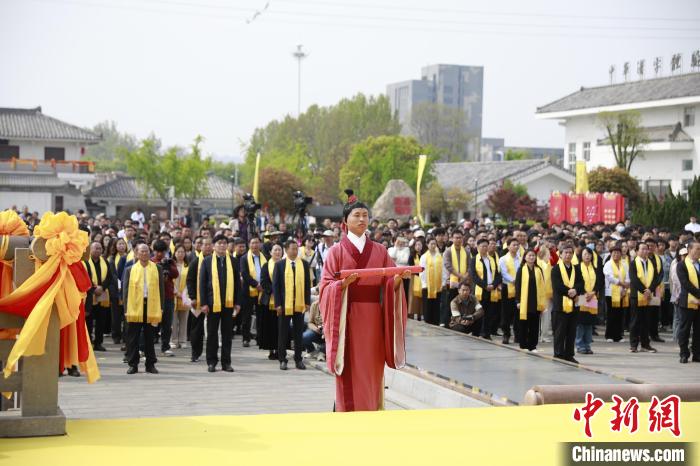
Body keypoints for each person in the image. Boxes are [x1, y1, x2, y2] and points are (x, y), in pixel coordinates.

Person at [319, 189, 409, 412]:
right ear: (345, 221)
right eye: (356, 215)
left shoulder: (380, 250)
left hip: (374, 320)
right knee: (349, 368)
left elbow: (388, 282)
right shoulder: (336, 252)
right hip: (347, 320)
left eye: (364, 215)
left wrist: (397, 281)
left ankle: (371, 408)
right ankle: (346, 410)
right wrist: (341, 286)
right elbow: (325, 286)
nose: (361, 219)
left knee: (372, 367)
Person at [199, 234, 241, 372]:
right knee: (212, 334)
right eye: (219, 243)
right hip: (212, 304)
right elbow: (203, 284)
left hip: (228, 303)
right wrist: (204, 303)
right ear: (214, 246)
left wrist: (237, 302)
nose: (222, 245)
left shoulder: (234, 261)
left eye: (224, 243)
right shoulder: (207, 261)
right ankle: (211, 362)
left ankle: (226, 362)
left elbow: (237, 284)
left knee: (227, 334)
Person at [123, 244, 164, 374]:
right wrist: (126, 308)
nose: (144, 253)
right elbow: (125, 291)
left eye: (146, 251)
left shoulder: (157, 268)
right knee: (133, 337)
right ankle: (133, 364)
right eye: (142, 251)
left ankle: (150, 364)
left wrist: (161, 307)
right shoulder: (130, 269)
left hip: (151, 305)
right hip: (134, 306)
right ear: (136, 253)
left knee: (149, 336)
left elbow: (161, 289)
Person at [273, 240, 312, 370]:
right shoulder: (279, 265)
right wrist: (278, 304)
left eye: (296, 249)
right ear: (286, 250)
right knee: (283, 333)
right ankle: (282, 359)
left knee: (298, 333)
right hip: (284, 305)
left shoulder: (304, 265)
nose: (295, 251)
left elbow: (307, 285)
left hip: (299, 304)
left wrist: (307, 302)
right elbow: (276, 286)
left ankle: (298, 359)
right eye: (292, 249)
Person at [551, 244, 584, 363]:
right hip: (560, 304)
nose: (568, 255)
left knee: (571, 331)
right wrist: (571, 292)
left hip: (574, 304)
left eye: (570, 252)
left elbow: (581, 283)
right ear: (560, 254)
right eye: (565, 252)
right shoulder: (556, 268)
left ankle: (569, 354)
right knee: (560, 331)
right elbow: (557, 286)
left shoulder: (576, 268)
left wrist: (576, 290)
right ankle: (559, 354)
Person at [629, 242, 661, 353]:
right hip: (636, 296)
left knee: (646, 321)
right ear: (637, 251)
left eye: (646, 249)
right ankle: (633, 345)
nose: (644, 251)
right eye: (642, 249)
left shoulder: (651, 262)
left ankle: (645, 345)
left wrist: (650, 290)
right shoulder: (633, 263)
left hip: (649, 296)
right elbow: (634, 279)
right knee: (635, 321)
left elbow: (656, 279)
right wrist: (644, 290)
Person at [84, 241, 116, 352]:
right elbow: (85, 277)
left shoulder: (105, 262)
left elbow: (109, 277)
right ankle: (89, 343)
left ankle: (99, 342)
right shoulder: (86, 262)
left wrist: (102, 287)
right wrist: (94, 288)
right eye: (96, 248)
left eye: (100, 248)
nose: (98, 250)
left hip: (102, 294)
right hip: (89, 295)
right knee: (88, 321)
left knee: (101, 321)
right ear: (90, 249)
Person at [186, 237, 213, 363]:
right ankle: (195, 352)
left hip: (213, 299)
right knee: (196, 328)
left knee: (212, 327)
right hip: (198, 300)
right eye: (205, 245)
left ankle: (210, 353)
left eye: (209, 244)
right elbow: (190, 281)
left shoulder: (216, 261)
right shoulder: (196, 262)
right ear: (200, 247)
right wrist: (193, 297)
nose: (207, 247)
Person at [515, 250, 547, 351]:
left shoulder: (539, 269)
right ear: (525, 257)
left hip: (536, 300)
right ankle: (523, 345)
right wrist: (518, 301)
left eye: (533, 255)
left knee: (534, 324)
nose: (532, 257)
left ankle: (532, 345)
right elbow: (518, 286)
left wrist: (543, 302)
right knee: (524, 324)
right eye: (529, 255)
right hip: (525, 301)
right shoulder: (521, 269)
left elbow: (542, 286)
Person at [470, 238, 502, 340]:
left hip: (492, 288)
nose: (484, 248)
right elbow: (474, 276)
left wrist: (494, 285)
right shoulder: (474, 259)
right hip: (481, 289)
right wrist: (485, 285)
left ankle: (486, 333)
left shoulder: (491, 259)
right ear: (478, 247)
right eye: (482, 246)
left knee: (489, 312)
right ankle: (477, 331)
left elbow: (498, 275)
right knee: (479, 311)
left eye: (486, 246)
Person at [152, 240, 178, 356]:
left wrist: (167, 265)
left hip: (168, 296)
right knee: (151, 324)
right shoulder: (151, 262)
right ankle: (146, 347)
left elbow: (175, 274)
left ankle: (165, 347)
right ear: (154, 251)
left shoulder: (170, 261)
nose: (159, 254)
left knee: (167, 324)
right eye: (157, 251)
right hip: (154, 297)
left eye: (162, 252)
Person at [676, 242, 700, 363]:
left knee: (698, 330)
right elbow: (685, 283)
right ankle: (684, 353)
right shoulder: (682, 265)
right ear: (690, 249)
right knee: (684, 329)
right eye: (697, 249)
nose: (699, 251)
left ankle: (697, 354)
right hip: (687, 301)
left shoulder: (699, 263)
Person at [576, 248, 603, 355]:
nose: (587, 256)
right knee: (580, 322)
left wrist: (593, 292)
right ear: (581, 256)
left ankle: (587, 345)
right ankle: (580, 345)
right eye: (585, 254)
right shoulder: (577, 268)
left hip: (592, 297)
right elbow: (577, 282)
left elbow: (600, 282)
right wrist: (584, 292)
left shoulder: (596, 269)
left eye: (589, 254)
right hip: (582, 296)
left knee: (589, 323)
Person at [241, 237, 267, 348]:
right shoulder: (244, 258)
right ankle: (246, 338)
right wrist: (256, 285)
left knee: (261, 315)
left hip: (263, 291)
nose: (255, 245)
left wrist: (263, 285)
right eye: (252, 243)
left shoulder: (265, 257)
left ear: (260, 244)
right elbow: (244, 274)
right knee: (246, 315)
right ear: (249, 244)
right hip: (248, 291)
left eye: (257, 243)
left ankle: (260, 338)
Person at [442, 230, 470, 327]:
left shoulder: (466, 251)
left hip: (464, 282)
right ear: (452, 239)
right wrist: (459, 275)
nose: (458, 240)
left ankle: (459, 324)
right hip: (452, 282)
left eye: (460, 238)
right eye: (456, 237)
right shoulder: (448, 251)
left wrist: (465, 275)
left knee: (462, 304)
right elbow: (447, 265)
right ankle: (447, 323)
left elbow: (470, 265)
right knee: (450, 302)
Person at [260, 243, 282, 360]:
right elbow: (263, 282)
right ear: (270, 252)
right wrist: (275, 290)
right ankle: (271, 350)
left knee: (280, 327)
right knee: (270, 326)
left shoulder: (285, 265)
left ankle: (280, 349)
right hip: (269, 300)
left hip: (282, 302)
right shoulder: (266, 266)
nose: (278, 252)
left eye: (279, 250)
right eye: (275, 250)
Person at [603, 245, 629, 343]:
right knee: (611, 314)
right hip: (611, 293)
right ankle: (609, 335)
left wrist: (625, 287)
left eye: (618, 253)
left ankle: (618, 335)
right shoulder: (608, 264)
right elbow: (609, 277)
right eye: (614, 253)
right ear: (611, 254)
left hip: (622, 292)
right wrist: (622, 283)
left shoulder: (624, 264)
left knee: (620, 314)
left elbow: (628, 276)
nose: (616, 254)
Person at [499, 239, 521, 344]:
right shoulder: (503, 259)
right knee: (506, 312)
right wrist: (513, 280)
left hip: (519, 288)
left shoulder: (520, 259)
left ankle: (517, 334)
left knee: (518, 312)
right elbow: (503, 272)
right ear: (508, 247)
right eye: (513, 245)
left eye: (517, 245)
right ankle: (506, 334)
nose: (516, 247)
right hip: (507, 287)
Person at [107, 237, 129, 345]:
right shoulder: (111, 259)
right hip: (115, 290)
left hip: (126, 290)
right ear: (115, 246)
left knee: (126, 315)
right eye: (119, 244)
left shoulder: (129, 257)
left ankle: (126, 336)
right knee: (115, 315)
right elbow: (112, 275)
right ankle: (116, 336)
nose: (121, 246)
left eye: (123, 244)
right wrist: (118, 284)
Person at [420, 237, 444, 325]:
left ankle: (436, 322)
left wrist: (443, 282)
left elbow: (443, 270)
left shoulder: (439, 256)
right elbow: (422, 271)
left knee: (436, 305)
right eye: (431, 244)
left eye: (435, 244)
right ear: (427, 245)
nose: (433, 246)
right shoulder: (424, 256)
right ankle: (428, 322)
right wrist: (424, 283)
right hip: (428, 285)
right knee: (428, 305)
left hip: (438, 285)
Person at [172, 244, 190, 349]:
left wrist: (183, 294)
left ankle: (183, 340)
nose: (180, 254)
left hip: (185, 296)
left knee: (184, 320)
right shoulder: (171, 265)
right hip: (173, 295)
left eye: (182, 252)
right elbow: (169, 281)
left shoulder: (188, 266)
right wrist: (176, 292)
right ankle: (173, 340)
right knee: (173, 320)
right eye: (178, 252)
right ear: (174, 253)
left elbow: (190, 281)